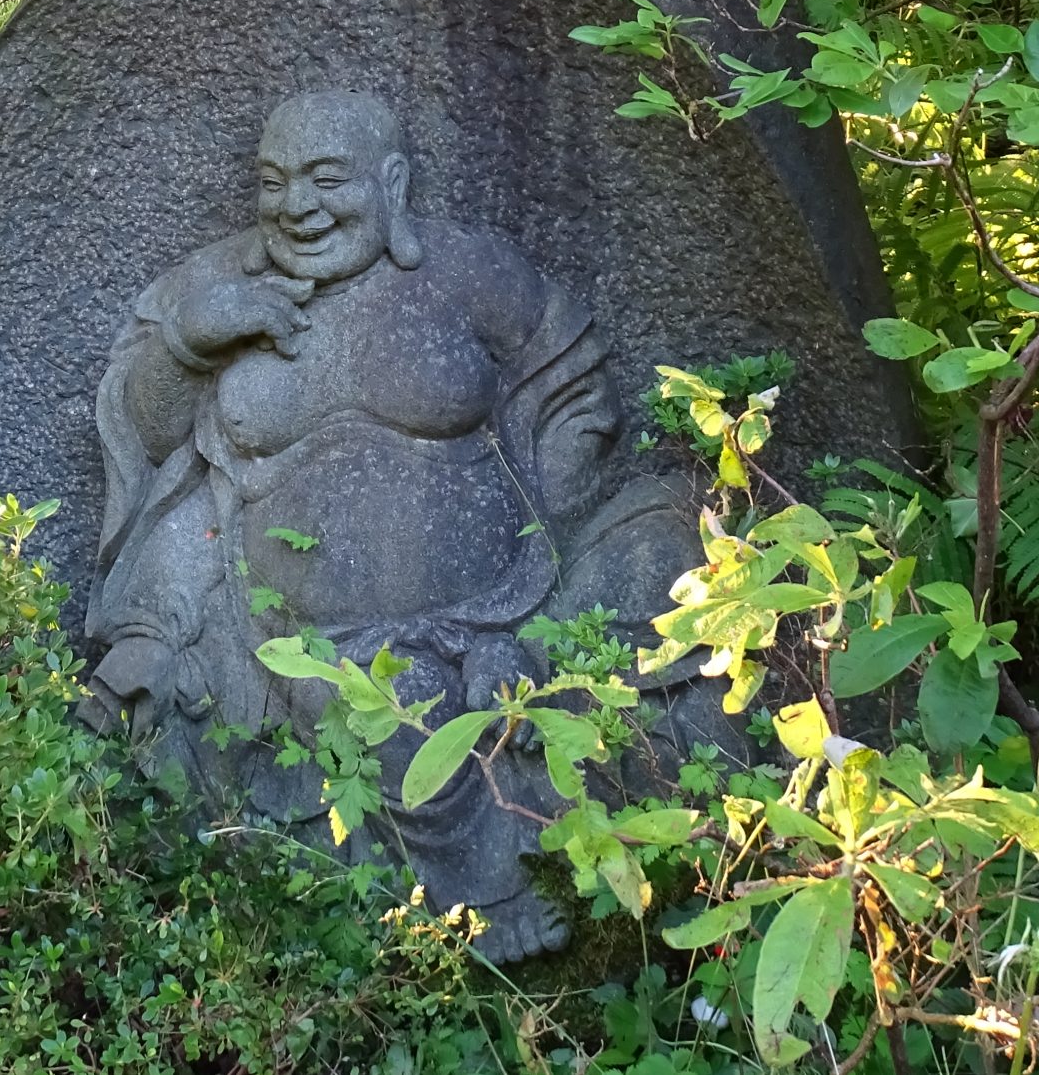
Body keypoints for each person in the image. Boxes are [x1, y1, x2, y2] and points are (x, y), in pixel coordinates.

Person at [81, 90, 699, 962]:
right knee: (366, 705)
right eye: (274, 183)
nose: (298, 206)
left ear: (394, 183)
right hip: (280, 621)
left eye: (327, 179)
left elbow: (573, 386)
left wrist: (539, 539)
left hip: (501, 594)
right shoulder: (213, 288)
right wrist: (188, 341)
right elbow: (141, 439)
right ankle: (456, 913)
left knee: (668, 557)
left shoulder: (465, 272)